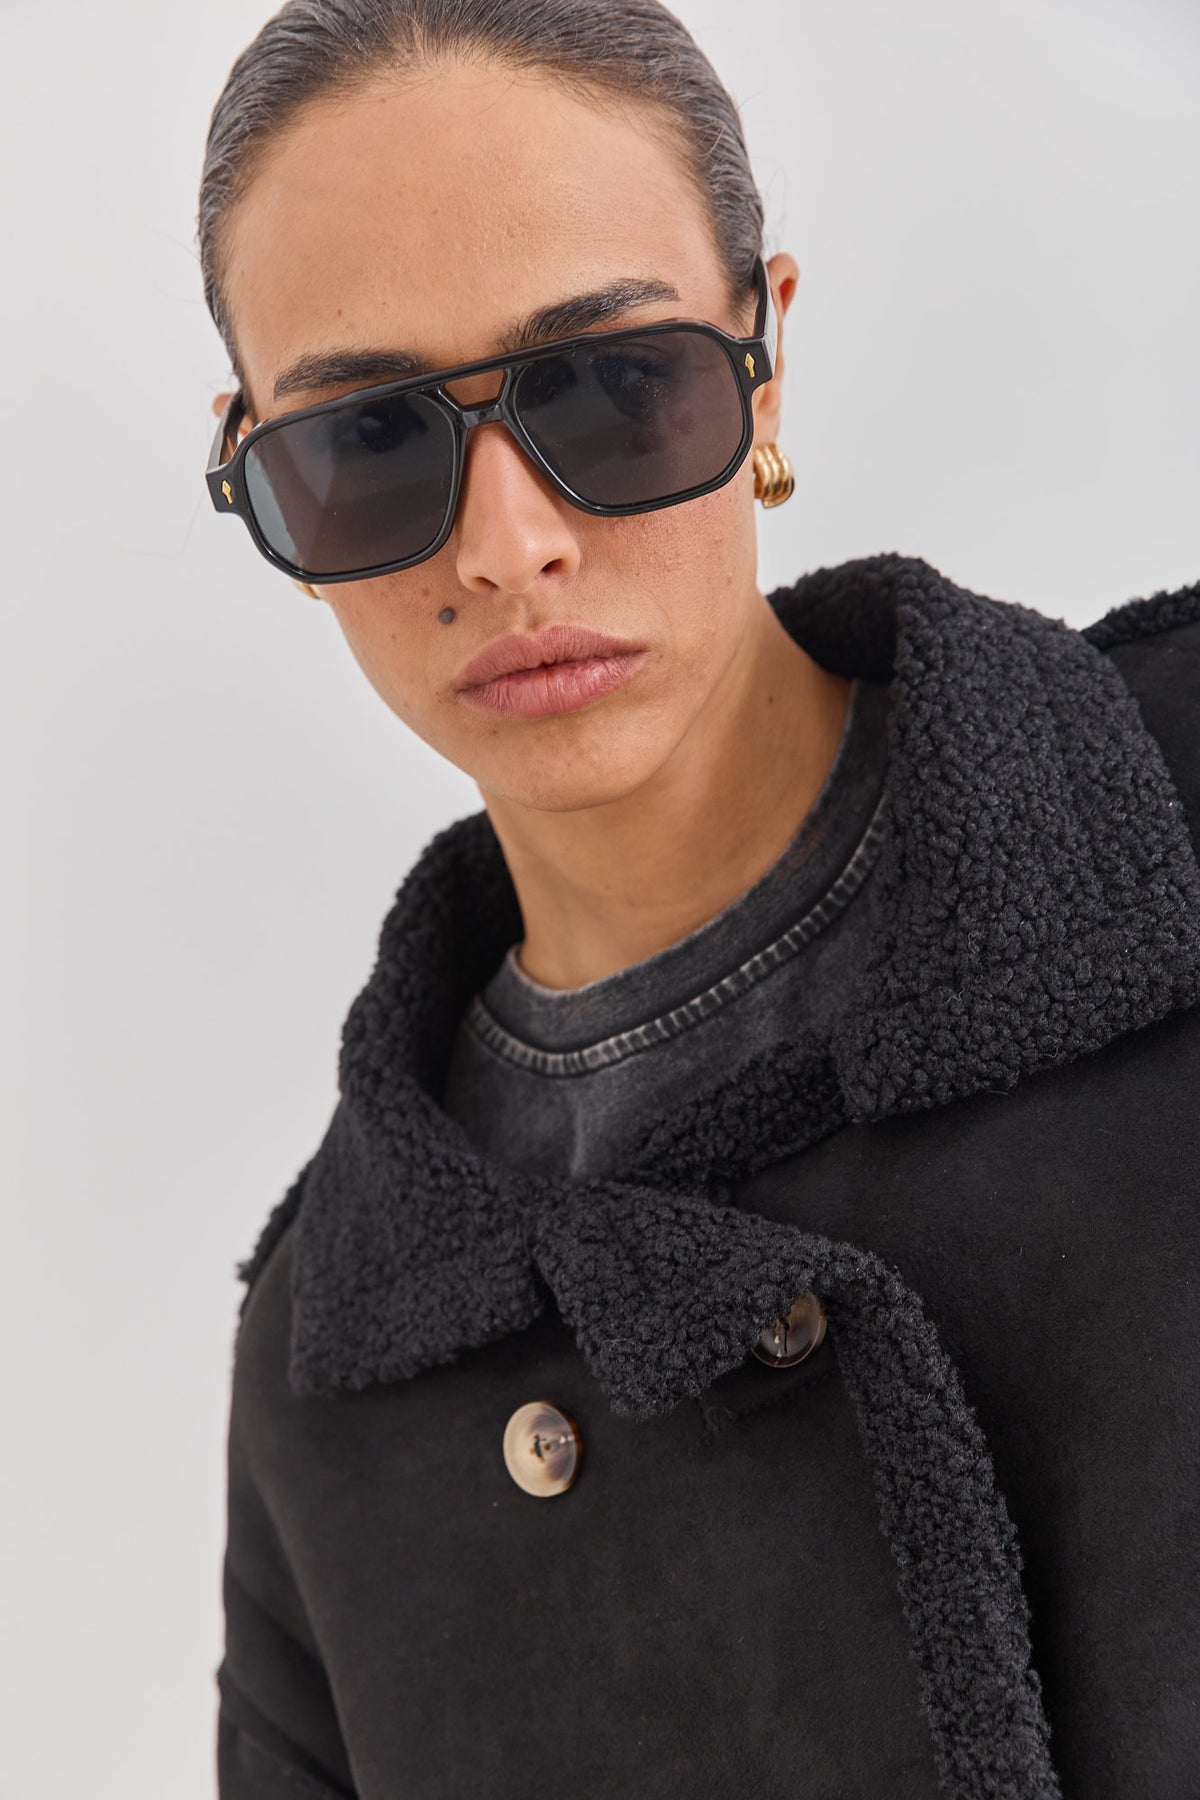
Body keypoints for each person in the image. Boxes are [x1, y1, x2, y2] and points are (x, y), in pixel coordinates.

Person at [198, 3, 1200, 1796]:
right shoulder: (330, 1369)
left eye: (611, 383)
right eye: (371, 440)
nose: (509, 545)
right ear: (257, 472)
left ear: (766, 352)